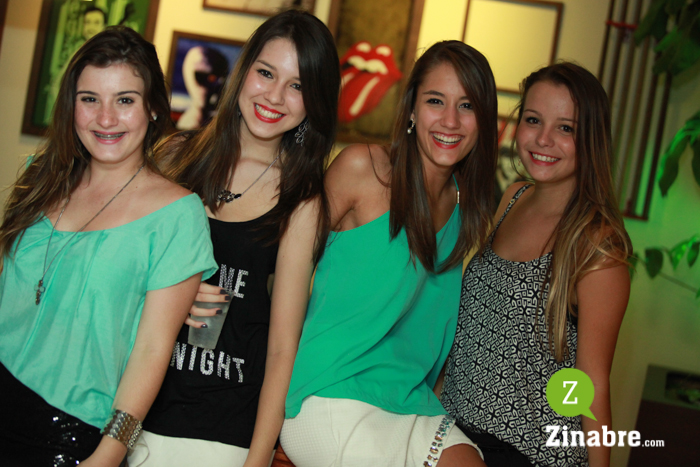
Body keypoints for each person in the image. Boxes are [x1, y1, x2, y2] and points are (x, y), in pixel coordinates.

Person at [131, 9, 340, 467]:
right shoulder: (175, 158)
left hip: (222, 432)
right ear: (243, 71)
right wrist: (171, 293)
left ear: (314, 101)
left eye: (298, 85)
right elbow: (117, 273)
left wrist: (258, 457)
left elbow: (282, 348)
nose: (275, 96)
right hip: (134, 412)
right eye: (266, 73)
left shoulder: (301, 201)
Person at [0, 26, 217, 467]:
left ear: (152, 108)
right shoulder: (42, 178)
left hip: (64, 433)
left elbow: (152, 351)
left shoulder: (178, 214)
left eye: (124, 100)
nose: (105, 118)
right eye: (89, 99)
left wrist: (110, 453)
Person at [281, 40, 498, 466]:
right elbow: (281, 266)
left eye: (467, 106)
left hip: (410, 401)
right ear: (412, 108)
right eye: (435, 101)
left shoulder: (463, 204)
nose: (450, 120)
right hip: (330, 390)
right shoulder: (364, 169)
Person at [440, 62, 632, 467]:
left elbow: (593, 384)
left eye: (566, 128)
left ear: (591, 138)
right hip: (453, 436)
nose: (543, 139)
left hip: (528, 454)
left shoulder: (597, 247)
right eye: (533, 120)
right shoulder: (513, 198)